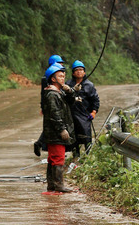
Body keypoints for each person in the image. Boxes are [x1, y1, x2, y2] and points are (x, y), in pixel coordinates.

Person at [41, 62, 76, 193]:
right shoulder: (52, 95)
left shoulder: (59, 92)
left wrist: (70, 91)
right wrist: (62, 129)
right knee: (58, 158)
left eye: (64, 76)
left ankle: (52, 185)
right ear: (53, 79)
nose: (63, 78)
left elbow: (71, 102)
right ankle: (58, 185)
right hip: (55, 133)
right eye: (60, 76)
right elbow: (55, 115)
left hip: (54, 133)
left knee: (53, 158)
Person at [33, 54, 65, 158]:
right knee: (51, 126)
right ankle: (40, 143)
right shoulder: (47, 78)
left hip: (54, 103)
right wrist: (43, 107)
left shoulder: (58, 75)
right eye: (59, 63)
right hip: (50, 105)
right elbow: (44, 94)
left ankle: (42, 144)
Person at [67, 59, 100, 156]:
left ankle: (88, 157)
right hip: (72, 116)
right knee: (73, 138)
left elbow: (95, 100)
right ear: (73, 73)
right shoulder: (68, 85)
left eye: (81, 70)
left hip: (84, 116)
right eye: (76, 70)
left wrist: (93, 112)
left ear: (84, 72)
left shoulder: (89, 85)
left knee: (86, 137)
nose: (79, 71)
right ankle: (75, 157)